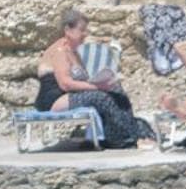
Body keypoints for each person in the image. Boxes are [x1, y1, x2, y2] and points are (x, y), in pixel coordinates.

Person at [36, 8, 147, 149]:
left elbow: (84, 79)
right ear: (68, 30)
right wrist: (97, 87)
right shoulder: (59, 51)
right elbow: (65, 84)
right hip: (53, 99)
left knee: (117, 90)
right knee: (100, 97)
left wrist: (104, 82)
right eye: (81, 30)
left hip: (69, 95)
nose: (85, 34)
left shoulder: (74, 52)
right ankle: (121, 138)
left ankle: (129, 132)